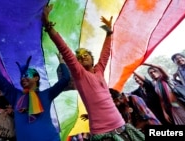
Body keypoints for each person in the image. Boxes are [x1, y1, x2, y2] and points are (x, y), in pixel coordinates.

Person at [43, 4, 144, 141]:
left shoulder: (99, 71)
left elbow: (105, 53)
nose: (83, 56)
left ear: (92, 58)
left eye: (86, 54)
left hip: (122, 127)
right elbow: (65, 50)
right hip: (104, 135)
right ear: (77, 63)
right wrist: (49, 27)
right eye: (79, 57)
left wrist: (108, 32)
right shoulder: (80, 74)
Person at [0, 37, 70, 141]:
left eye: (27, 75)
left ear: (36, 78)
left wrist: (62, 62)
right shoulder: (16, 95)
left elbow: (65, 79)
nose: (23, 78)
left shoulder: (47, 94)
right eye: (21, 76)